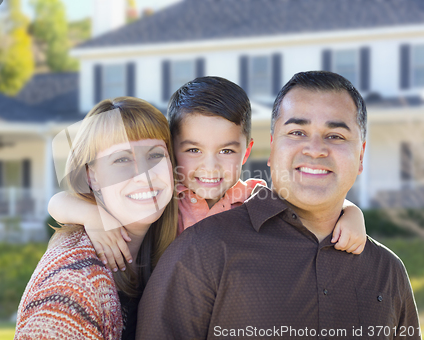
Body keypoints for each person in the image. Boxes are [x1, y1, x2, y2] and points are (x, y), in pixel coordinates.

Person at [136, 71, 421, 339]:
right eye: (297, 132)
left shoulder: (388, 271)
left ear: (360, 156)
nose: (315, 149)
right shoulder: (196, 245)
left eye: (335, 136)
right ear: (272, 148)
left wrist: (351, 210)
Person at [48, 76, 367, 274]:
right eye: (193, 150)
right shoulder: (164, 200)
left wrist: (352, 214)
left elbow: (311, 209)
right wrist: (92, 216)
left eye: (226, 151)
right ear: (172, 150)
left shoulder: (255, 197)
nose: (210, 167)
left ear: (246, 151)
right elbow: (59, 202)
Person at [14, 97, 178, 340]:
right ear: (92, 176)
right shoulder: (71, 286)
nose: (145, 175)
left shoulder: (172, 244)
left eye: (155, 155)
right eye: (122, 159)